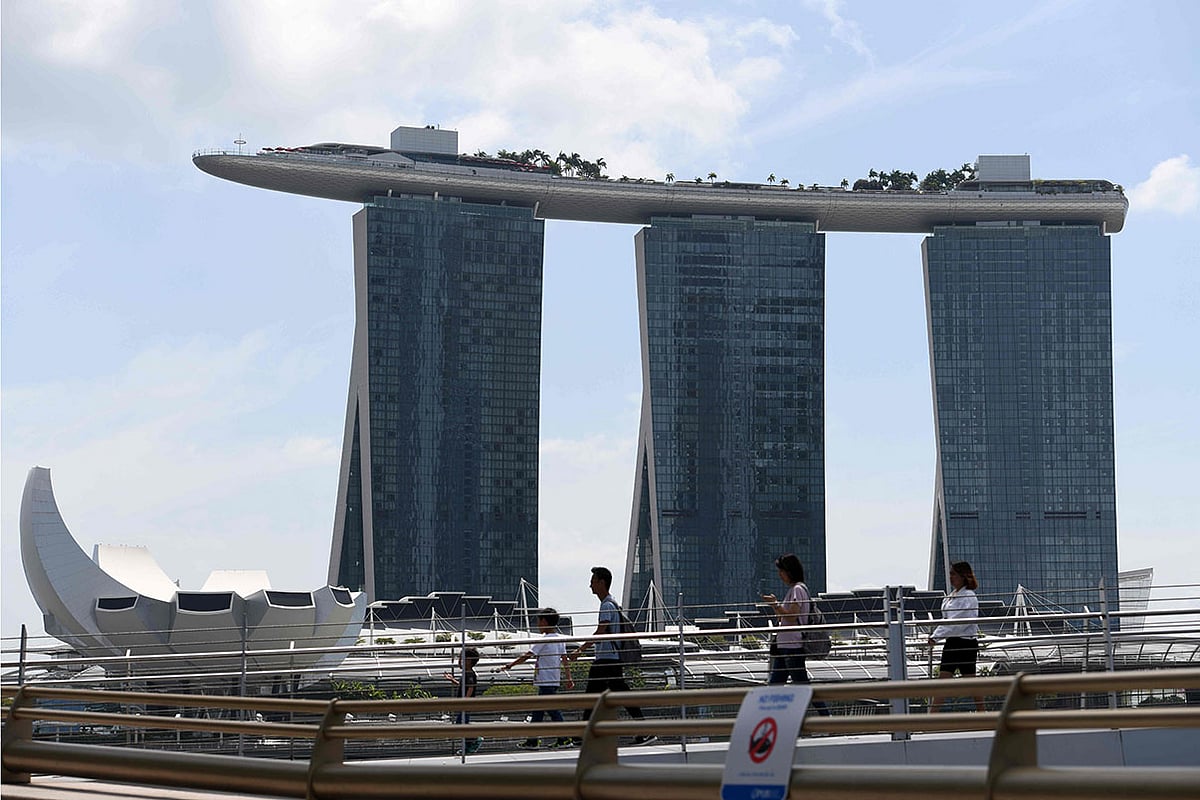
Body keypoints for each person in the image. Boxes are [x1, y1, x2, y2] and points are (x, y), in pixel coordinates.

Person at [567, 566, 657, 746]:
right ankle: (642, 730)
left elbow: (600, 632)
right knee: (606, 695)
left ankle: (583, 735)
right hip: (609, 659)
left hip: (606, 660)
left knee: (595, 696)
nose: (590, 585)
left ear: (602, 583)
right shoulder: (611, 603)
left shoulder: (607, 605)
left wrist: (579, 650)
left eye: (593, 581)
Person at [498, 607, 576, 749]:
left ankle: (563, 738)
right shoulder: (560, 639)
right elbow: (564, 659)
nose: (538, 625)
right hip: (554, 680)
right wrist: (569, 678)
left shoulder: (544, 640)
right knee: (539, 710)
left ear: (545, 621)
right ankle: (534, 740)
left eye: (539, 621)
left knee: (552, 710)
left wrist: (510, 665)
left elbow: (527, 655)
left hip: (545, 680)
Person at [928, 561, 985, 712]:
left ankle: (983, 713)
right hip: (953, 642)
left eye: (954, 574)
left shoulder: (968, 596)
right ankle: (931, 717)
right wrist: (937, 635)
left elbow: (957, 622)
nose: (951, 577)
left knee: (968, 682)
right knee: (945, 681)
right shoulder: (952, 596)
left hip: (964, 644)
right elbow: (949, 621)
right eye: (950, 574)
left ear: (963, 576)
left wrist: (936, 636)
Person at [443, 646, 484, 754]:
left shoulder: (469, 674)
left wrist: (465, 700)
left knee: (461, 724)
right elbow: (463, 685)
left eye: (462, 658)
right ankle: (468, 746)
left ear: (469, 660)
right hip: (464, 703)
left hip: (466, 704)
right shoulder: (466, 672)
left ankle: (475, 739)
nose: (460, 661)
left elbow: (470, 688)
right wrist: (452, 680)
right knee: (463, 724)